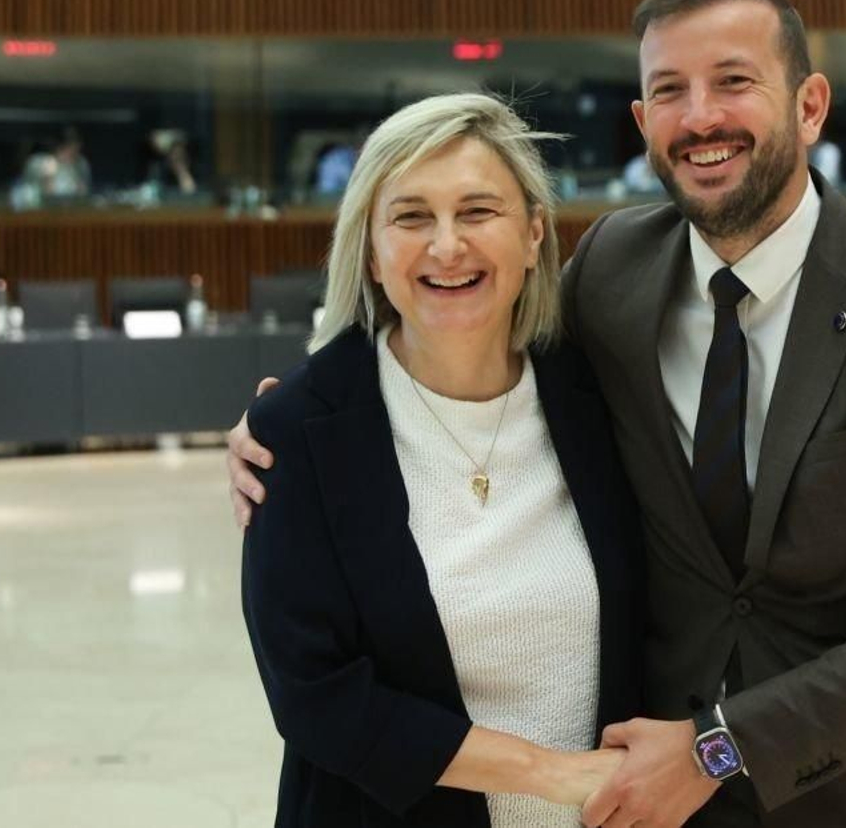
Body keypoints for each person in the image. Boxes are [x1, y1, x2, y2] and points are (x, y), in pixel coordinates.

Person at [231, 0, 846, 828]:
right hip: (667, 808)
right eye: (669, 92)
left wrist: (714, 748)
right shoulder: (614, 270)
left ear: (808, 106)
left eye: (733, 81)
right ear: (643, 123)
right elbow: (461, 321)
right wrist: (289, 422)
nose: (701, 118)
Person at [241, 93, 642, 826]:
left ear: (533, 234)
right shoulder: (297, 431)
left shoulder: (601, 395)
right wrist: (550, 773)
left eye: (478, 211)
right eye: (412, 216)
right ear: (370, 250)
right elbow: (315, 693)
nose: (447, 245)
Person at [23, 128, 92, 198]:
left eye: (76, 152)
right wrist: (48, 178)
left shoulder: (80, 163)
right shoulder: (38, 162)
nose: (74, 157)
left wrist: (81, 187)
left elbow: (83, 196)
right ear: (59, 148)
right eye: (71, 152)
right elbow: (41, 195)